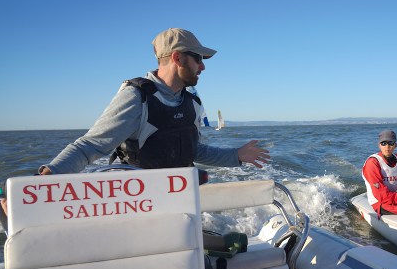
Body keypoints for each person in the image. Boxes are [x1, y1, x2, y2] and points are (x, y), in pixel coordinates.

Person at [37, 27, 270, 176]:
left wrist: (236, 155)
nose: (203, 66)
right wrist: (40, 182)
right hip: (139, 203)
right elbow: (90, 146)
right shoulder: (137, 97)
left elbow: (193, 150)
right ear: (177, 57)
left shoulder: (193, 103)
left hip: (180, 198)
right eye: (198, 58)